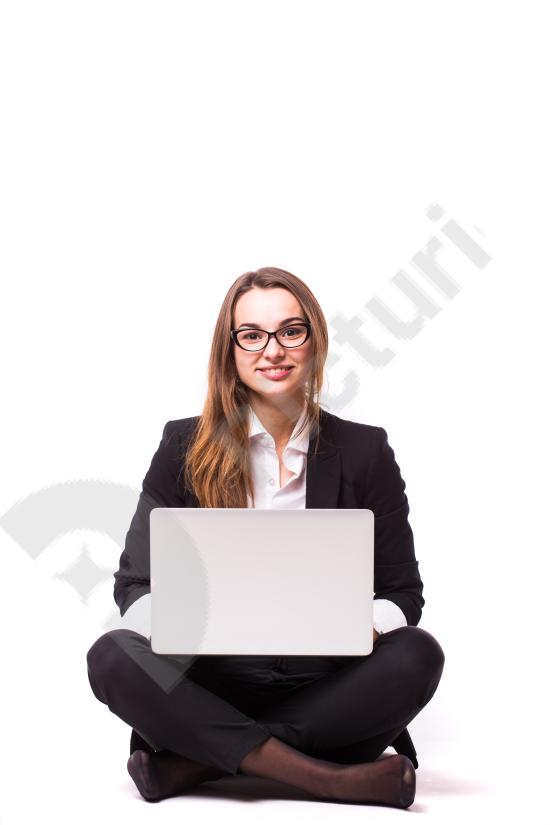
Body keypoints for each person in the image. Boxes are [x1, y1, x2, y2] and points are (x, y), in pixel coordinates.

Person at [86, 266, 445, 808]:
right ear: (229, 350)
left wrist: (365, 627)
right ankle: (330, 777)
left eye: (290, 331)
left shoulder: (367, 452)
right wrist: (175, 626)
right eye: (251, 335)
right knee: (112, 655)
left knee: (418, 654)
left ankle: (195, 762)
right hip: (211, 681)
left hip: (327, 683)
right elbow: (134, 584)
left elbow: (402, 593)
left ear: (314, 339)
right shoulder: (183, 445)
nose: (271, 350)